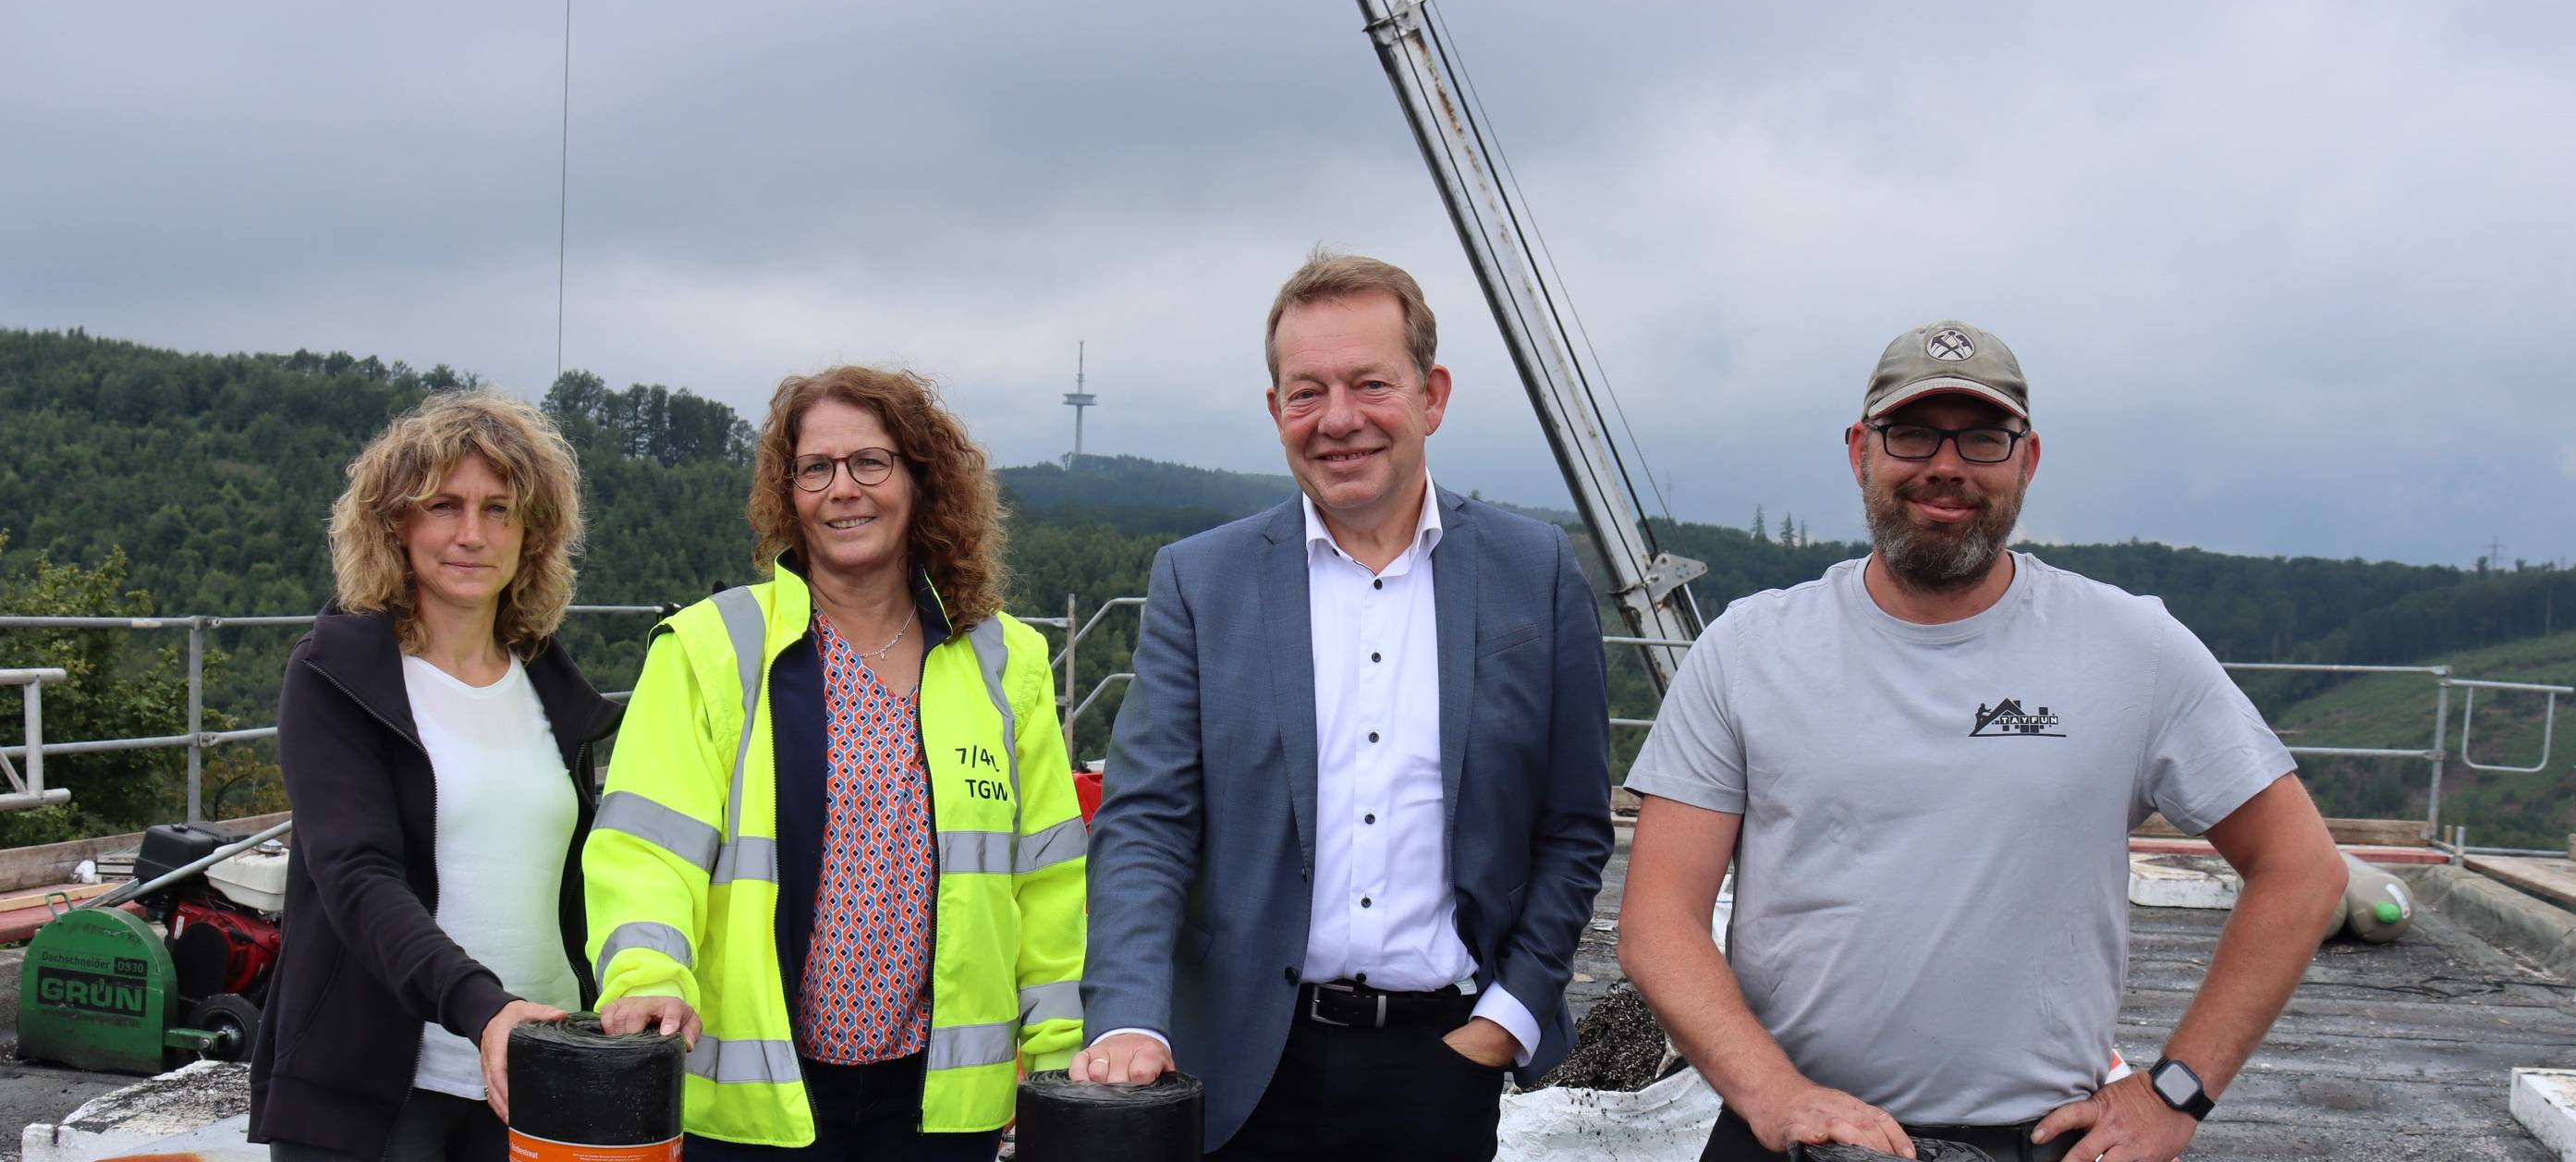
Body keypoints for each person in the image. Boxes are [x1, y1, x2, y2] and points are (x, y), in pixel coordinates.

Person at [1618, 321, 2349, 1162]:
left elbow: (2303, 869)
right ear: (1861, 449)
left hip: (2037, 1141)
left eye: (1983, 438)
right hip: (1791, 1135)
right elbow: (1658, 922)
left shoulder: (2130, 649)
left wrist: (2175, 1093)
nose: (1947, 465)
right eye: (1913, 433)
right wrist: (1773, 1093)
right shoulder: (1749, 650)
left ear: (2026, 460)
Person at [1074, 251, 1616, 1160]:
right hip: (1242, 1062)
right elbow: (1147, 823)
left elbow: (1571, 826)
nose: (1338, 420)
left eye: (1370, 383)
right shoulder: (1201, 580)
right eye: (1305, 391)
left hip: (1441, 1063)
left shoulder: (1535, 573)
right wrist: (1132, 1016)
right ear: (1275, 409)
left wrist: (1508, 1015)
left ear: (1432, 394)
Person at [586, 365, 1084, 1158]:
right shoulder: (713, 650)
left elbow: (1050, 883)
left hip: (940, 1108)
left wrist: (1059, 1054)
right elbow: (647, 851)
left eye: (871, 463)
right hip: (756, 1108)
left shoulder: (1004, 664)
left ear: (922, 482)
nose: (842, 488)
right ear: (789, 496)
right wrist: (647, 976)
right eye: (815, 469)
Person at [250, 392, 620, 1161]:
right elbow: (355, 875)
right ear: (396, 525)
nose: (472, 534)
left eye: (499, 510)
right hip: (382, 1084)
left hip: (540, 1072)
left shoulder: (549, 685)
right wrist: (483, 1010)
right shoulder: (339, 675)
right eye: (444, 506)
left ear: (533, 534)